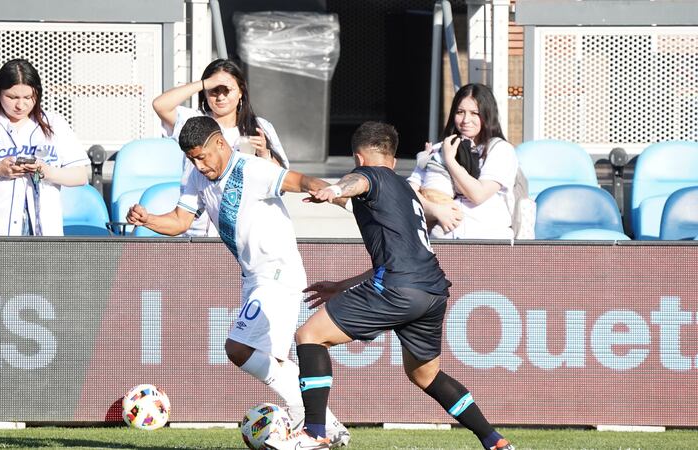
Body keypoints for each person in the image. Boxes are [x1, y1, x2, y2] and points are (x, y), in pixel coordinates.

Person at [264, 122, 514, 450]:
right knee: (425, 375)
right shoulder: (405, 189)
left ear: (358, 157)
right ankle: (494, 440)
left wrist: (337, 188)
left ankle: (313, 433)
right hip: (432, 291)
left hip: (399, 288)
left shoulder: (373, 175)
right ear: (394, 160)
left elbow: (360, 180)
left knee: (309, 336)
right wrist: (343, 285)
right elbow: (395, 259)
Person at [126, 115, 350, 447]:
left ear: (220, 143)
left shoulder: (252, 170)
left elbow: (299, 180)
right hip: (255, 277)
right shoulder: (196, 178)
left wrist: (337, 194)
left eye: (203, 156)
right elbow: (178, 221)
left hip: (278, 272)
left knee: (238, 347)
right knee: (269, 359)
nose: (200, 165)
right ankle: (326, 425)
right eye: (192, 159)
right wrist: (148, 219)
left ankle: (308, 417)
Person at [152, 58, 288, 236]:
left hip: (244, 231)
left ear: (241, 92)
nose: (221, 97)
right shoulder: (193, 121)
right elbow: (160, 105)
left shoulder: (259, 126)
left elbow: (283, 184)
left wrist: (264, 153)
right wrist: (204, 83)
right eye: (214, 91)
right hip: (198, 229)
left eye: (227, 90)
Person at [0, 59, 90, 236]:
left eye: (28, 97)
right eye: (12, 97)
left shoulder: (55, 123)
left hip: (44, 230)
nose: (20, 105)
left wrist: (46, 171)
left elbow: (80, 176)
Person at [408, 83, 517, 239]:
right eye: (460, 112)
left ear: (487, 114)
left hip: (488, 240)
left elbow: (478, 194)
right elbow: (409, 193)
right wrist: (435, 210)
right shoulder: (440, 147)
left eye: (474, 113)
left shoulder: (501, 150)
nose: (466, 120)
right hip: (441, 241)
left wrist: (450, 161)